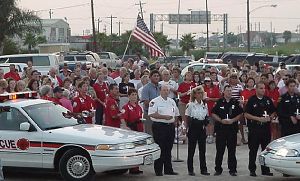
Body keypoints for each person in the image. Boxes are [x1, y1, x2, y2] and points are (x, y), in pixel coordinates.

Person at [244, 82, 276, 177]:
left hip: (265, 128)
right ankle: (252, 169)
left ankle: (265, 169)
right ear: (256, 89)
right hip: (255, 128)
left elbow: (274, 111)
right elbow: (246, 114)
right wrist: (258, 118)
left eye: (264, 88)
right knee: (253, 150)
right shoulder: (252, 100)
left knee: (265, 150)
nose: (263, 90)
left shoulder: (267, 100)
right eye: (261, 88)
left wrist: (270, 117)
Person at [211, 85, 243, 176]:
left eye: (230, 90)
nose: (229, 92)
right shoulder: (219, 102)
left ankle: (232, 169)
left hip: (232, 129)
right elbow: (213, 113)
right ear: (223, 92)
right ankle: (218, 169)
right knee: (220, 150)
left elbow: (240, 114)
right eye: (227, 90)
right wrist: (221, 120)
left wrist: (233, 120)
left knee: (232, 150)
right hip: (221, 129)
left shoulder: (235, 102)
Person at [148, 85, 180, 176]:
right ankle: (158, 170)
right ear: (160, 91)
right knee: (160, 148)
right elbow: (151, 114)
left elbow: (176, 113)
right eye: (164, 90)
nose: (166, 92)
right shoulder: (154, 101)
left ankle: (168, 169)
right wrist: (164, 117)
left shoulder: (172, 101)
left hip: (170, 127)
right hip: (159, 126)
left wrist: (176, 121)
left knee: (168, 148)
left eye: (167, 90)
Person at [185, 86, 210, 176]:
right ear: (194, 95)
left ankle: (203, 169)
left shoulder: (204, 105)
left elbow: (206, 117)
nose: (200, 95)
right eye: (198, 93)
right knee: (191, 150)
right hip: (193, 128)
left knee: (202, 150)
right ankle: (190, 169)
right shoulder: (191, 105)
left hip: (201, 128)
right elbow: (187, 117)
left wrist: (206, 128)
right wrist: (186, 129)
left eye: (201, 93)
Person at [120, 89, 144, 174]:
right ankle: (132, 168)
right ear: (129, 96)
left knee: (138, 148)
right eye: (132, 95)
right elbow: (122, 118)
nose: (134, 96)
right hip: (131, 129)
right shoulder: (126, 107)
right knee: (132, 149)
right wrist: (125, 126)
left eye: (135, 95)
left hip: (139, 129)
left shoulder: (138, 107)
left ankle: (136, 167)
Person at [141, 70, 161, 135]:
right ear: (150, 77)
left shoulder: (161, 87)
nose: (156, 77)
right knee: (150, 134)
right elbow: (146, 102)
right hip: (149, 114)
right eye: (154, 76)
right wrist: (157, 104)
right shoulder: (146, 88)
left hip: (160, 115)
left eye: (158, 76)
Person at [203, 77, 220, 144]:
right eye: (206, 81)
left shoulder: (215, 88)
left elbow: (218, 98)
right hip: (204, 107)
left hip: (212, 107)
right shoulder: (203, 88)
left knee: (211, 122)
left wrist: (210, 99)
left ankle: (211, 135)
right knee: (207, 122)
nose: (207, 83)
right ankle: (208, 135)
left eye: (209, 81)